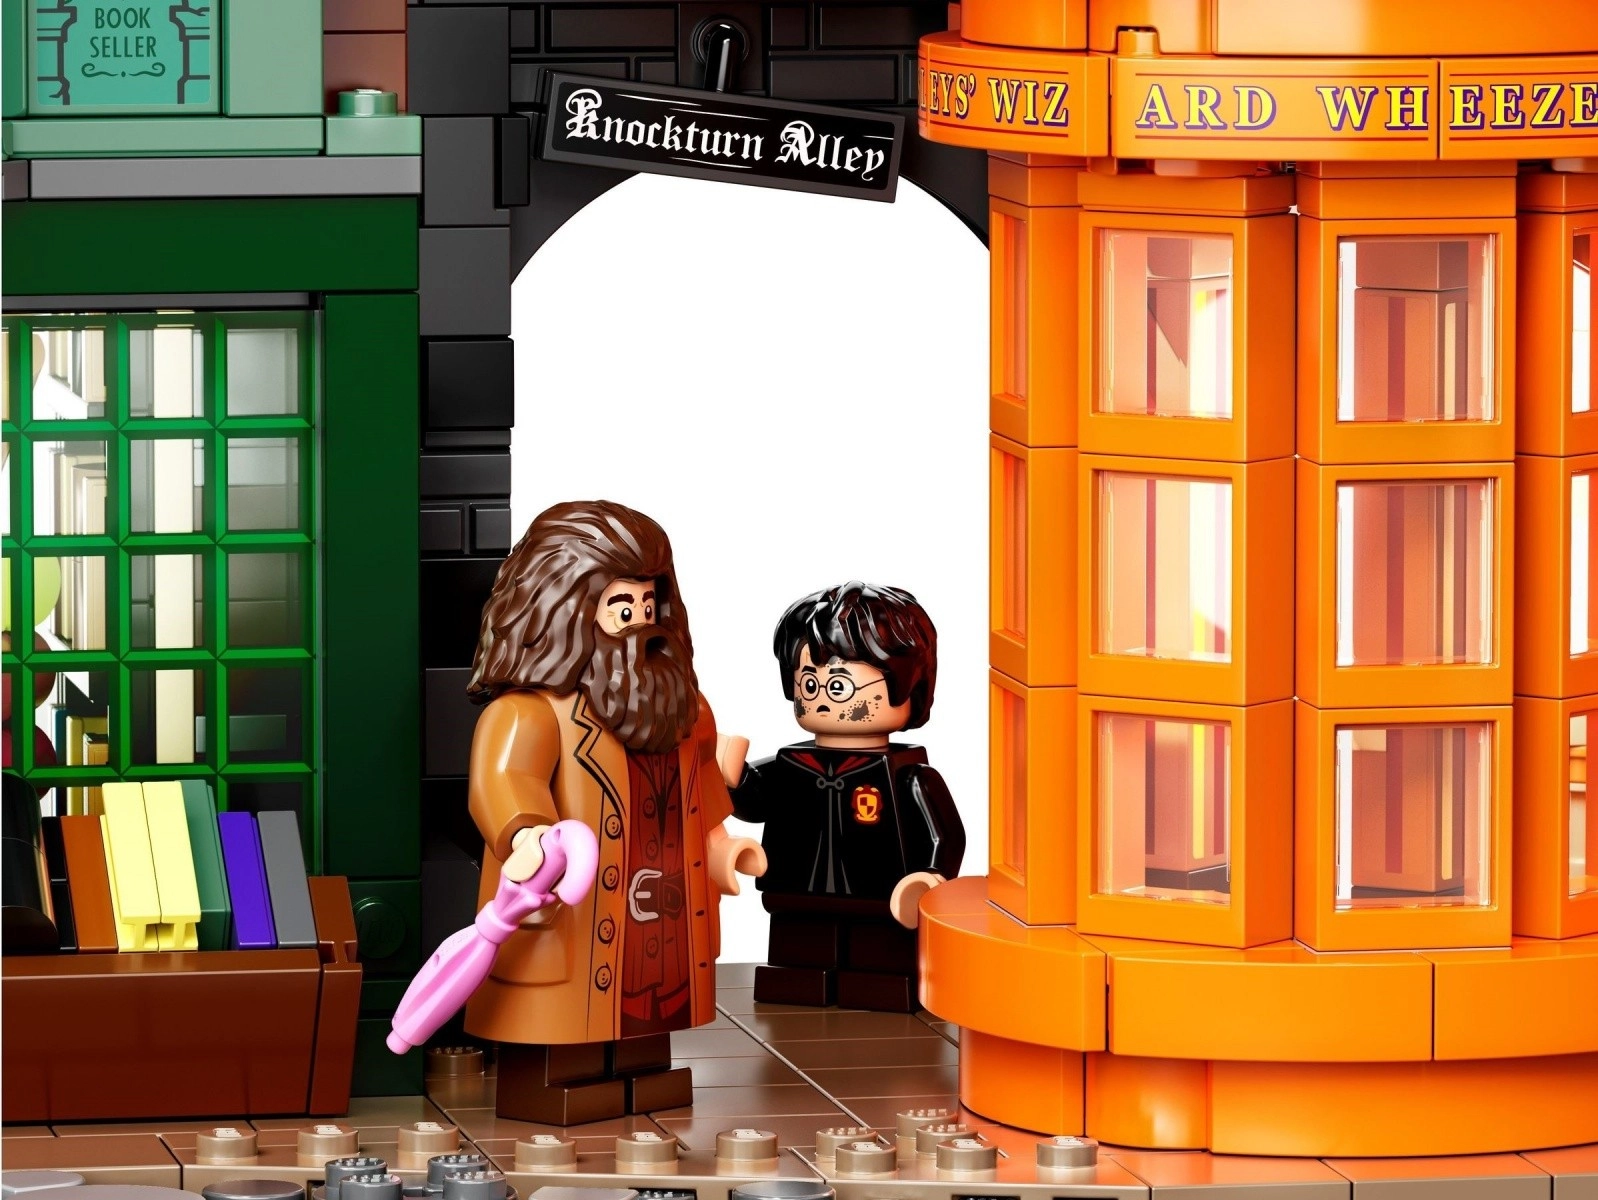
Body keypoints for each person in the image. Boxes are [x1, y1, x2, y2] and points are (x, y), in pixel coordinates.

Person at [463, 500, 764, 1124]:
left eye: (650, 607)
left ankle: (641, 1078)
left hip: (664, 917)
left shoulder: (686, 714)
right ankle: (552, 1084)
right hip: (576, 908)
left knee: (651, 1003)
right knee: (571, 1008)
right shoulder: (528, 714)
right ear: (562, 610)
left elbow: (703, 794)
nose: (641, 625)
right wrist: (526, 836)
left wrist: (723, 847)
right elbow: (504, 780)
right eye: (622, 609)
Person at [727, 582, 964, 1012]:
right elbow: (754, 800)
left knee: (878, 962)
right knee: (798, 956)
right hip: (796, 893)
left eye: (839, 686)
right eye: (808, 684)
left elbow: (944, 834)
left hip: (881, 897)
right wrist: (729, 776)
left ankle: (881, 984)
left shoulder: (907, 774)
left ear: (908, 687)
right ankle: (796, 979)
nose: (820, 699)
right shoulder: (790, 764)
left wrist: (930, 877)